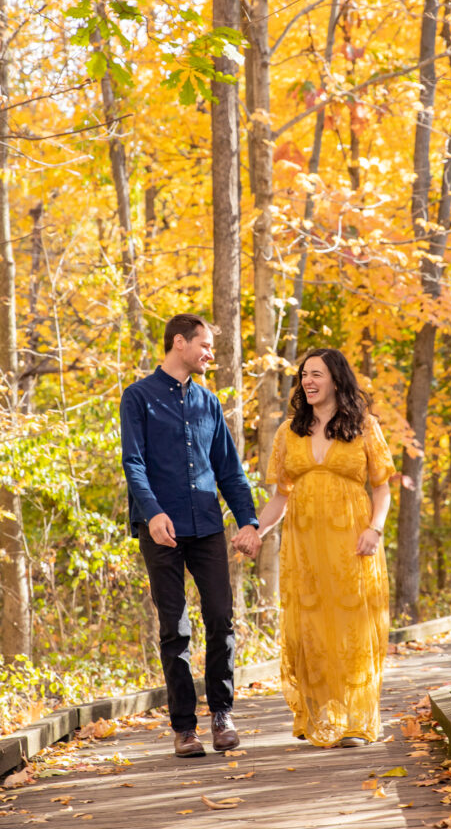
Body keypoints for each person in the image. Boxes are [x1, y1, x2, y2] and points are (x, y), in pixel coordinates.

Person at [120, 314, 260, 758]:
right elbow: (133, 464)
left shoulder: (209, 403)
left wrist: (249, 521)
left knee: (221, 618)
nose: (209, 354)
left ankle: (222, 714)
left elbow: (229, 470)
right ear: (179, 343)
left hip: (206, 526)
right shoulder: (138, 397)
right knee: (173, 628)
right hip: (160, 529)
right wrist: (153, 512)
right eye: (204, 345)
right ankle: (184, 727)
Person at [253, 347, 394, 748]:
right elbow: (280, 498)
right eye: (303, 376)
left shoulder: (364, 426)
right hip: (305, 550)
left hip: (352, 544)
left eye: (316, 374)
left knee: (350, 626)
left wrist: (375, 529)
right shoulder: (288, 432)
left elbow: (381, 488)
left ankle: (352, 720)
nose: (308, 382)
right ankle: (319, 716)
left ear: (335, 379)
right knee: (309, 629)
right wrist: (255, 532)